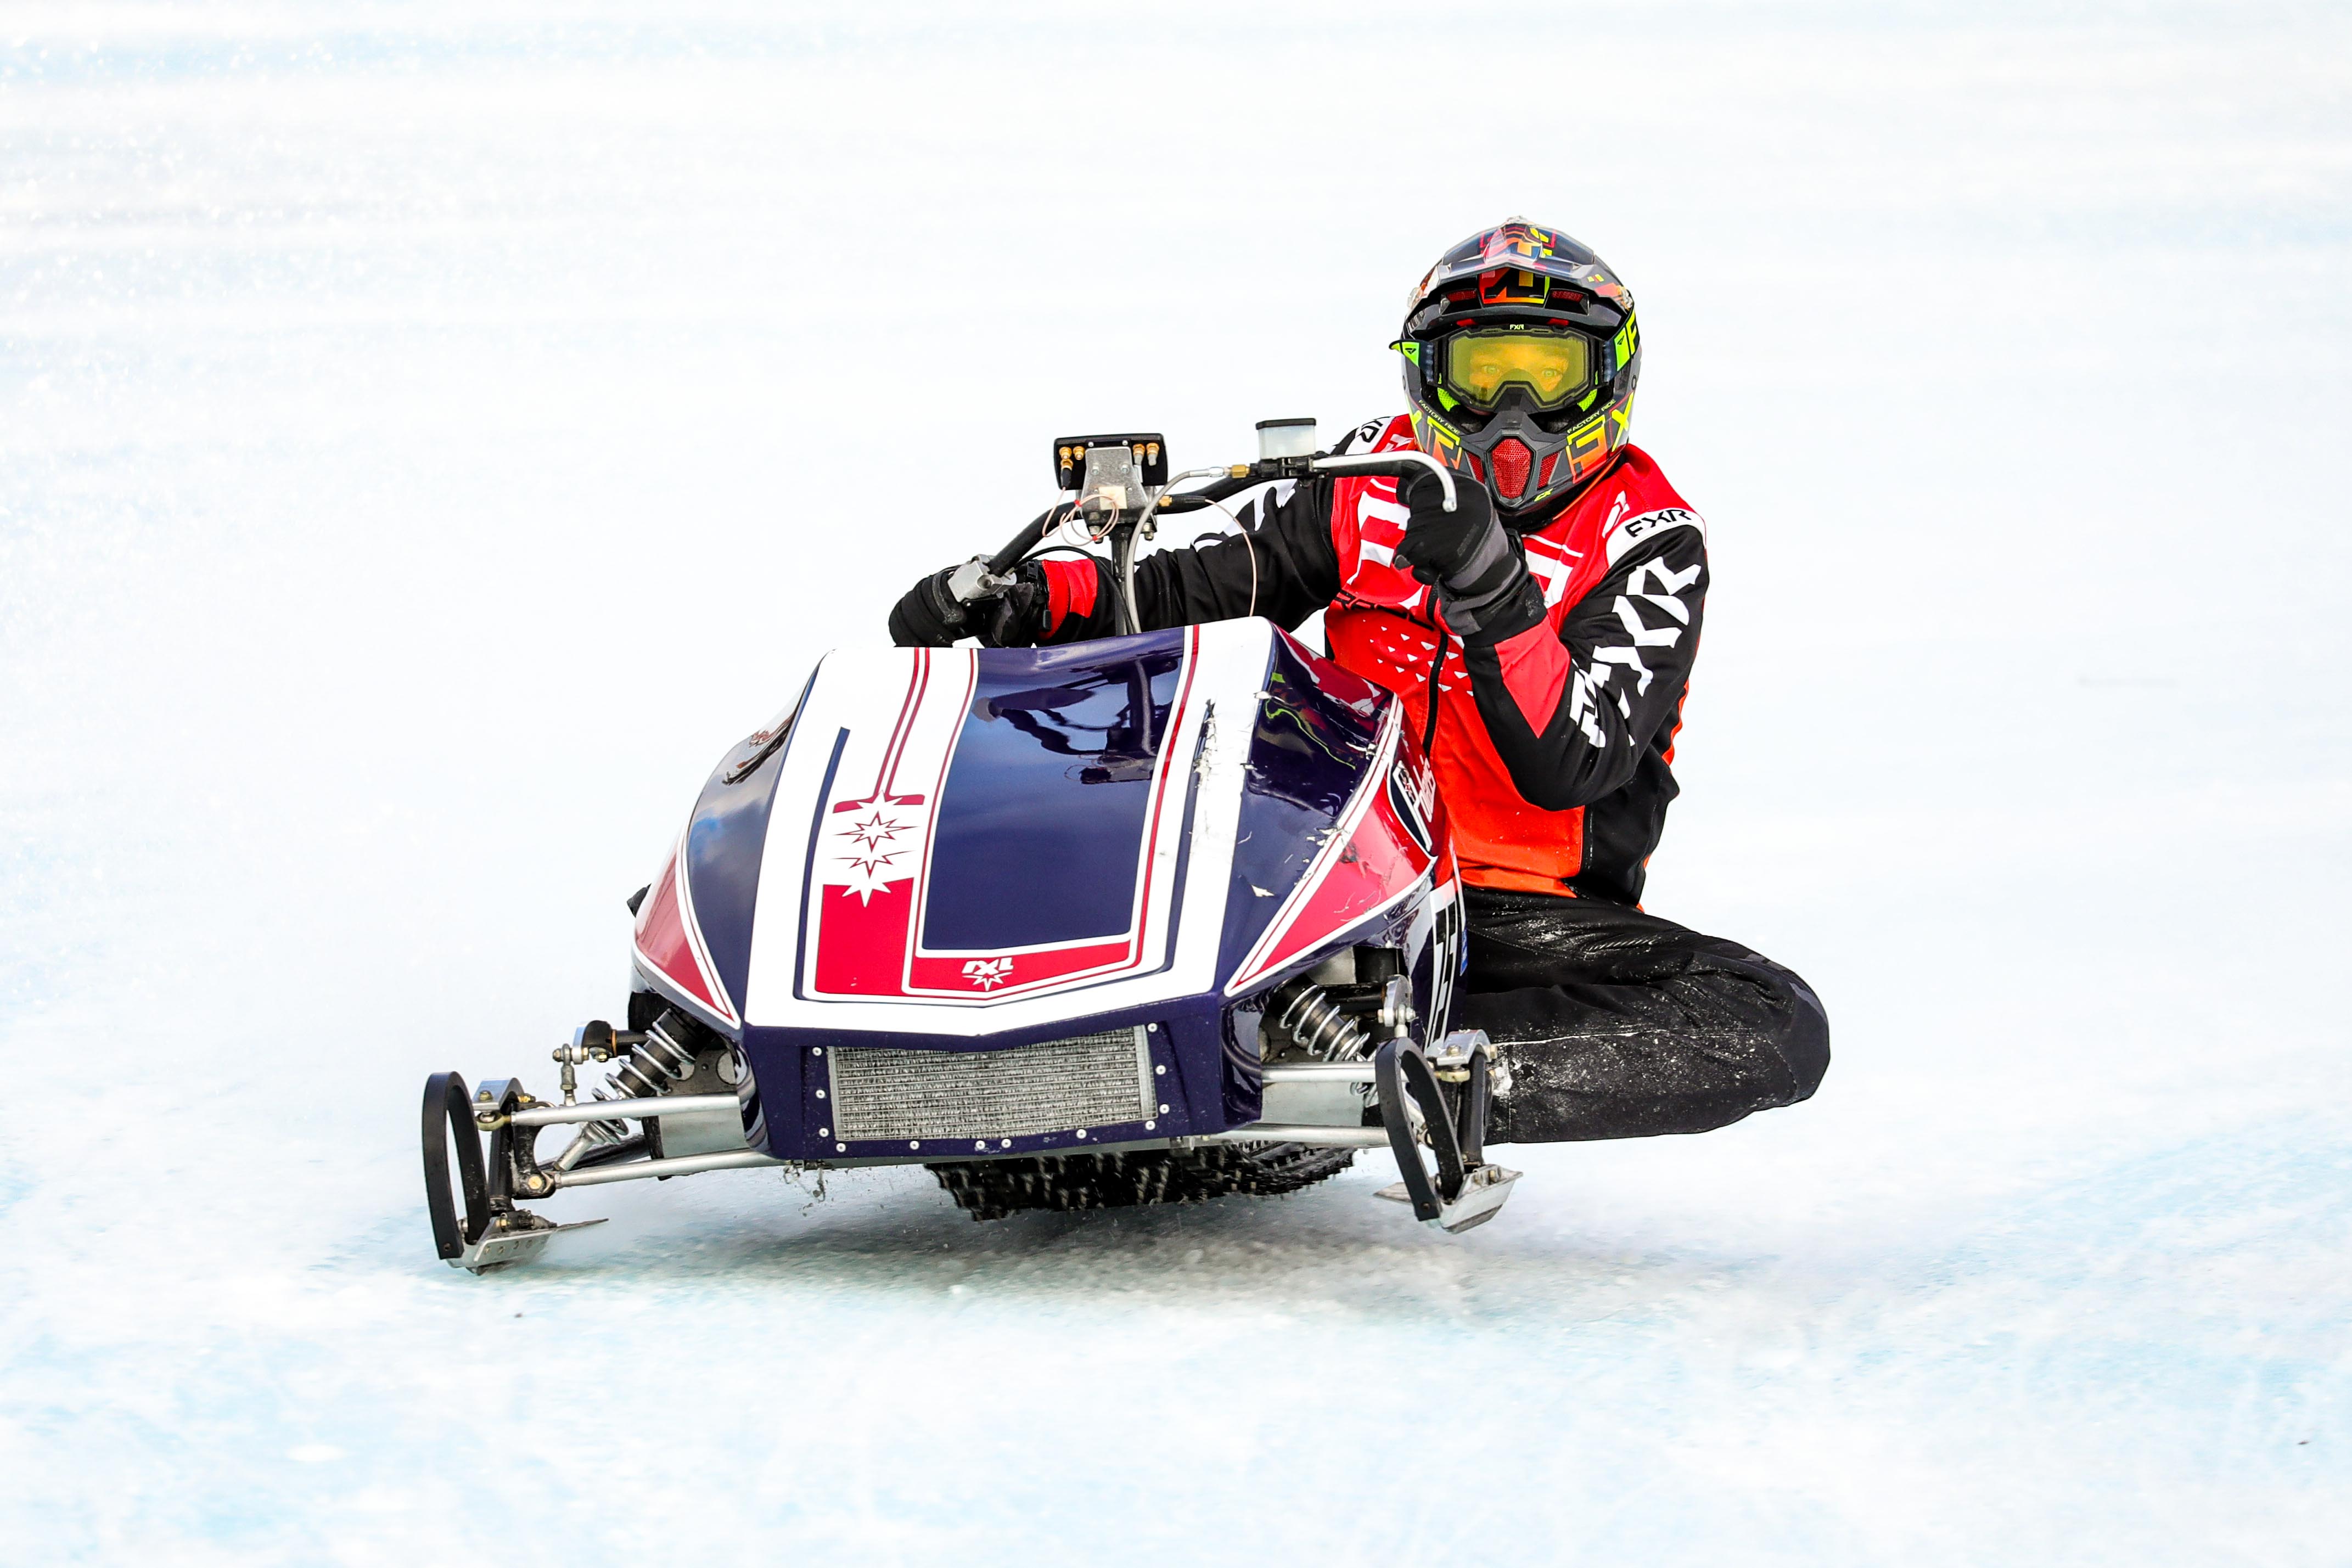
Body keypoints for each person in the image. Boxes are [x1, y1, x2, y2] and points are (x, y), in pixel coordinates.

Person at [888, 220, 1827, 1145]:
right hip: (1328, 873)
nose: (1510, 414)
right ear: (1427, 375)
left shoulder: (1648, 540)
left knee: (1773, 1018)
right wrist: (1032, 598)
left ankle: (1461, 1073)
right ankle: (996, 1024)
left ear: (1608, 379)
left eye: (1547, 376)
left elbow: (1572, 763)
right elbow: (1196, 589)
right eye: (1480, 373)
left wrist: (1492, 587)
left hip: (1513, 913)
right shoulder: (1371, 472)